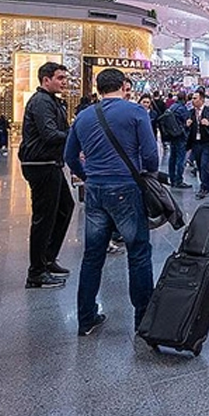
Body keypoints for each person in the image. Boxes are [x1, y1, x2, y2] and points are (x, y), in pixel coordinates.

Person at [64, 69, 160, 336]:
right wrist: (145, 172)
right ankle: (143, 319)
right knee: (138, 252)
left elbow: (70, 156)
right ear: (123, 85)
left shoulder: (83, 116)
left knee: (92, 256)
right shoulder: (136, 112)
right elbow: (151, 155)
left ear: (99, 88)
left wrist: (87, 176)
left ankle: (86, 318)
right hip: (127, 188)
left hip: (95, 190)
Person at [19, 62, 76, 289]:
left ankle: (47, 258)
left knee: (64, 208)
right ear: (46, 80)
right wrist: (76, 133)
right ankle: (37, 271)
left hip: (50, 162)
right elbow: (50, 134)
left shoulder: (51, 101)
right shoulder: (42, 101)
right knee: (45, 217)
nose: (64, 82)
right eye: (60, 78)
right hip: (41, 164)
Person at [186, 88, 209, 200]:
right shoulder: (191, 113)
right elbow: (186, 128)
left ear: (202, 100)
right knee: (199, 166)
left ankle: (204, 187)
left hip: (207, 143)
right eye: (192, 98)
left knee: (205, 165)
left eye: (195, 98)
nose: (192, 100)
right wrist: (187, 125)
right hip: (196, 143)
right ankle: (204, 184)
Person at [160, 92, 191, 188]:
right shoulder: (182, 108)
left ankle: (172, 179)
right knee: (180, 158)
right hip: (180, 135)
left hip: (172, 135)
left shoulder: (172, 107)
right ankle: (179, 180)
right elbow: (186, 121)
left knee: (172, 157)